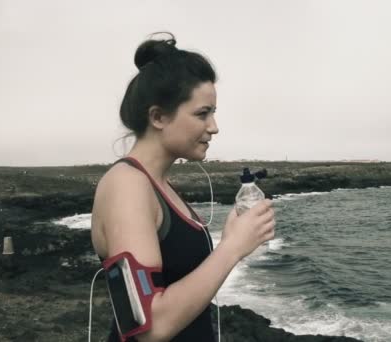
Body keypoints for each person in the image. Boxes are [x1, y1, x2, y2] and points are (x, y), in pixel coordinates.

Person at [90, 33, 276, 342]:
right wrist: (232, 248)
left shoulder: (160, 185)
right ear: (158, 116)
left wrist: (232, 239)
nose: (214, 127)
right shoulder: (127, 186)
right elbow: (149, 326)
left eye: (213, 113)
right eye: (203, 113)